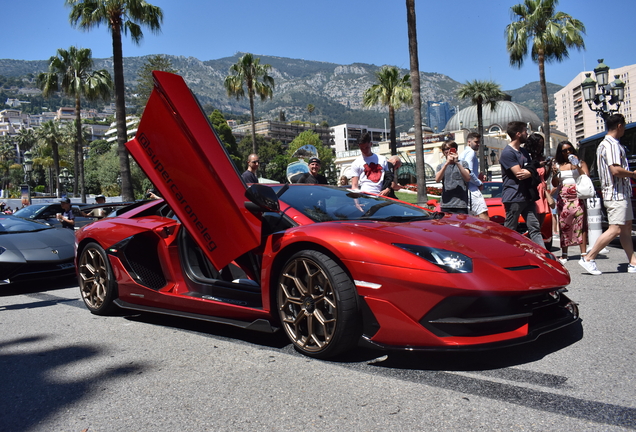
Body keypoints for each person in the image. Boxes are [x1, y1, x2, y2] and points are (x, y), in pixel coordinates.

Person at [579, 114, 636, 275]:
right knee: (616, 229)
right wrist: (632, 174)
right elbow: (615, 170)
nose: (624, 129)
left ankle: (633, 262)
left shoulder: (608, 144)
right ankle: (589, 258)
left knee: (626, 228)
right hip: (615, 193)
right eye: (624, 126)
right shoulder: (611, 145)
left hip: (621, 193)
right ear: (619, 126)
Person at [499, 121, 543, 246]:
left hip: (528, 196)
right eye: (525, 131)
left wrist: (530, 171)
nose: (527, 134)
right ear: (518, 134)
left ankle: (545, 258)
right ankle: (507, 256)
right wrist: (531, 172)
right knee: (510, 231)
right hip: (514, 197)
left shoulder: (523, 152)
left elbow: (531, 168)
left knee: (535, 228)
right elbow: (520, 174)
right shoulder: (508, 153)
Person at [551, 141, 589, 264]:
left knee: (581, 224)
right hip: (564, 199)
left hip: (578, 197)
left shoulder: (580, 162)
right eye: (564, 150)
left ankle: (583, 253)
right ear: (560, 153)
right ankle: (564, 254)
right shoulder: (557, 165)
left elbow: (586, 176)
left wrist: (577, 164)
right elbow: (555, 184)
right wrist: (555, 173)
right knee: (564, 225)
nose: (568, 152)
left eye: (570, 149)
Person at [525, 133, 554, 228]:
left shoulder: (541, 158)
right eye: (538, 144)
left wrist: (549, 167)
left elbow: (544, 177)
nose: (540, 147)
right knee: (534, 221)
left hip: (543, 189)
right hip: (534, 189)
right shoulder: (527, 157)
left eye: (542, 144)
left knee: (541, 220)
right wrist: (537, 164)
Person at [459, 132, 489, 220]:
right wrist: (479, 183)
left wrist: (477, 176)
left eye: (479, 142)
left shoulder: (463, 153)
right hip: (472, 190)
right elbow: (469, 172)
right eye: (476, 142)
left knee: (470, 218)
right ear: (469, 142)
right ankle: (488, 233)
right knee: (483, 214)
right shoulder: (471, 153)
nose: (478, 144)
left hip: (466, 190)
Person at [435, 141, 471, 214]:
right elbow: (437, 179)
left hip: (461, 204)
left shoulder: (463, 163)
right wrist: (447, 163)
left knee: (462, 225)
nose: (448, 151)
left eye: (451, 149)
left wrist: (457, 162)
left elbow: (467, 178)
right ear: (443, 152)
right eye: (446, 149)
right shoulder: (440, 166)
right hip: (446, 204)